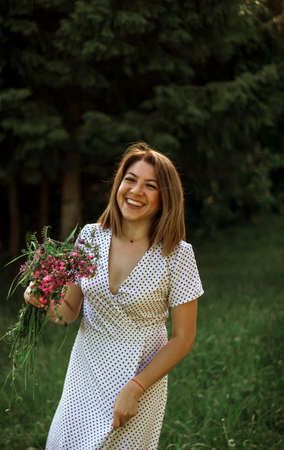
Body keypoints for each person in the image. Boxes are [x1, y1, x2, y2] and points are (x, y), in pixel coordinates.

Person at [24, 141, 204, 449]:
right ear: (119, 183)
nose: (135, 191)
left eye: (151, 186)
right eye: (130, 179)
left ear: (165, 198)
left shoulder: (177, 254)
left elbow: (183, 338)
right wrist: (42, 301)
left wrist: (135, 388)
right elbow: (67, 312)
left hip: (139, 377)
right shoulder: (91, 236)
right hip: (86, 370)